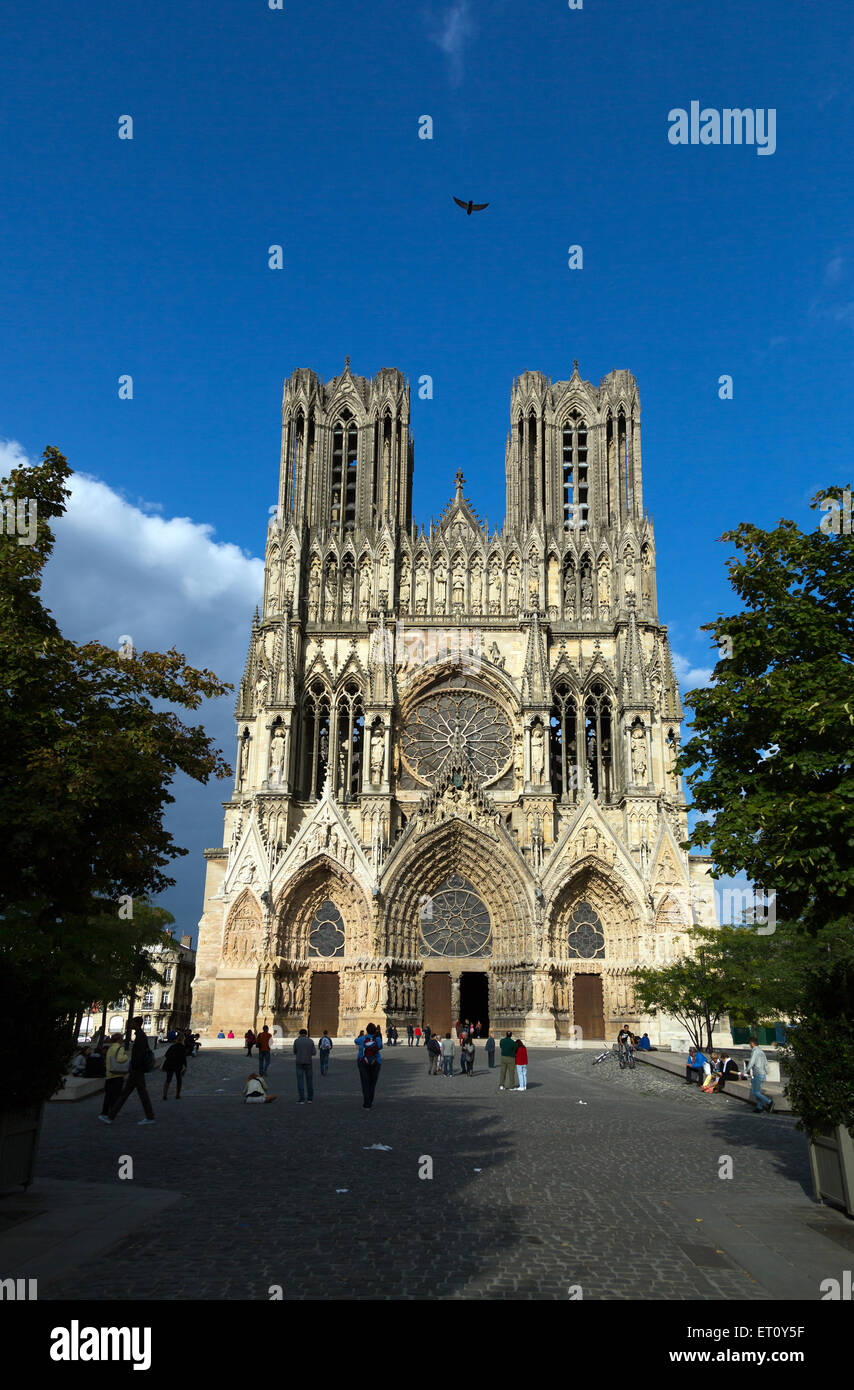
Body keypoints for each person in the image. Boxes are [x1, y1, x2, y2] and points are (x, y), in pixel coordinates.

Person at [99, 1017, 155, 1125]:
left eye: (132, 1022)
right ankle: (111, 1116)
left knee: (134, 1093)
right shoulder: (140, 1035)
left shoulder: (140, 1036)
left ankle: (150, 1116)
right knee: (128, 1093)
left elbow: (140, 1054)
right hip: (136, 1070)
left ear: (137, 1024)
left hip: (137, 1070)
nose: (130, 1024)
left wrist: (134, 1066)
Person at [355, 1022, 382, 1108]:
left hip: (363, 1061)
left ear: (367, 1030)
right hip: (376, 1061)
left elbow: (355, 1041)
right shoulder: (377, 1039)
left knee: (365, 1082)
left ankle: (366, 1103)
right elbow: (380, 1046)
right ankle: (370, 1100)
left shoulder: (363, 1038)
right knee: (372, 1082)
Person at [102, 1033, 129, 1116]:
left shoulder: (110, 1048)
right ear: (119, 1040)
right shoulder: (120, 1048)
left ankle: (104, 1111)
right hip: (117, 1074)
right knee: (116, 1094)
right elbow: (120, 1059)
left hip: (109, 1073)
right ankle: (114, 1110)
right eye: (121, 1038)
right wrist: (126, 1057)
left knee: (108, 1095)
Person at [747, 1035, 774, 1114]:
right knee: (758, 1091)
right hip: (762, 1074)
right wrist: (766, 1072)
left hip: (757, 1074)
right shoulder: (761, 1051)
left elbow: (751, 1062)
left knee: (755, 1092)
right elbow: (766, 1063)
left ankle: (769, 1102)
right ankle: (759, 1107)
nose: (749, 1046)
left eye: (749, 1044)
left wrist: (745, 1071)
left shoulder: (755, 1051)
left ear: (752, 1043)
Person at [293, 1028, 316, 1103]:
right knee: (309, 1081)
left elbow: (294, 1051)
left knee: (300, 1081)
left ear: (299, 1034)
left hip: (299, 1062)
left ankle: (302, 1099)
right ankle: (310, 1099)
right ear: (306, 1034)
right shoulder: (310, 1041)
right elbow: (314, 1053)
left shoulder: (296, 1041)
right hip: (308, 1062)